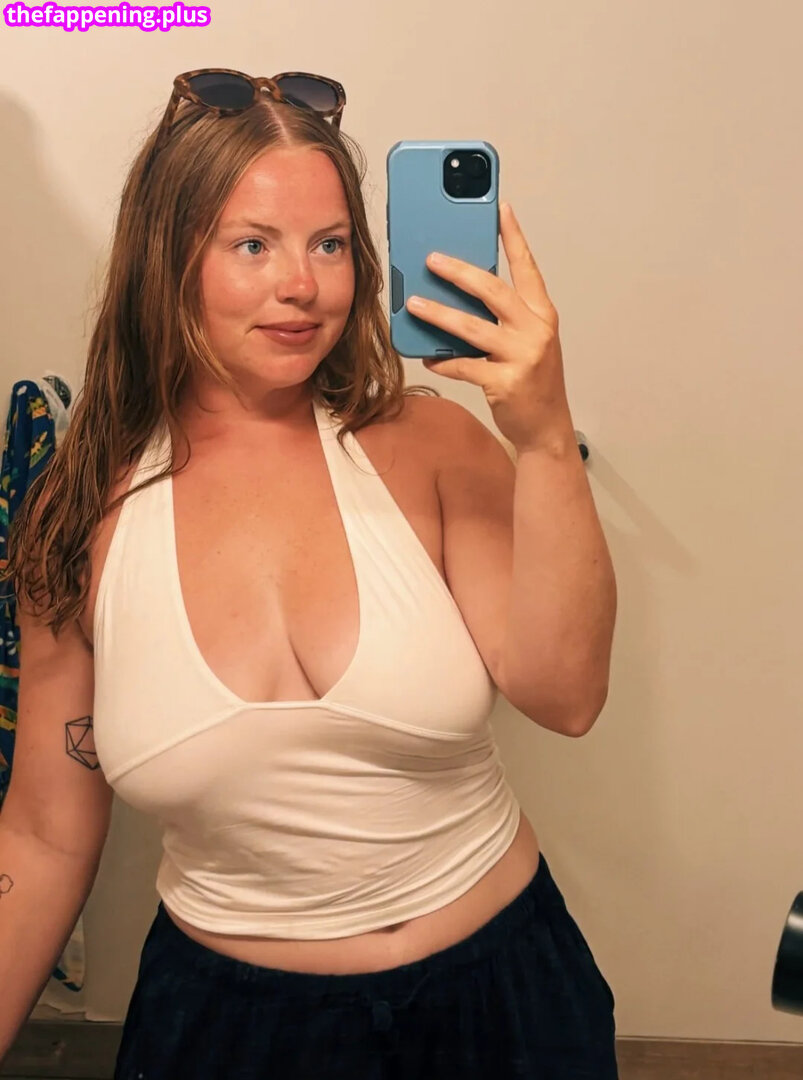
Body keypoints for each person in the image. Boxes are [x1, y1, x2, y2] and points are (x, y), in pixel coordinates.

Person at [1, 69, 618, 1078]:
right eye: (253, 245)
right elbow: (42, 837)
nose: (303, 285)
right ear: (166, 258)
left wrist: (544, 439)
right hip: (223, 1031)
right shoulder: (79, 515)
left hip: (501, 1003)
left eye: (329, 243)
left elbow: (566, 694)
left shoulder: (429, 445)